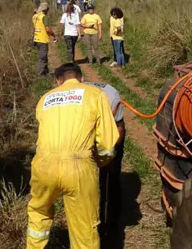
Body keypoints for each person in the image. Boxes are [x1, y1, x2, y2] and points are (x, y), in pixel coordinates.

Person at [26, 63, 119, 249]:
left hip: (44, 166)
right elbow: (107, 146)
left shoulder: (44, 99)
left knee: (38, 215)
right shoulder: (95, 95)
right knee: (84, 228)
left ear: (57, 81)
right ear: (81, 78)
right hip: (79, 166)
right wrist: (98, 163)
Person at [84, 82, 126, 235]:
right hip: (87, 137)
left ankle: (113, 222)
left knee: (111, 178)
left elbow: (119, 128)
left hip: (111, 136)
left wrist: (110, 156)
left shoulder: (111, 96)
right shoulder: (77, 98)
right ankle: (95, 218)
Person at [32, 2, 57, 76]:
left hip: (36, 39)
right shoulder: (44, 17)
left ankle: (46, 73)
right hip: (42, 39)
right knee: (42, 58)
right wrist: (54, 35)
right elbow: (47, 29)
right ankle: (41, 75)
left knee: (43, 56)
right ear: (45, 9)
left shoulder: (35, 16)